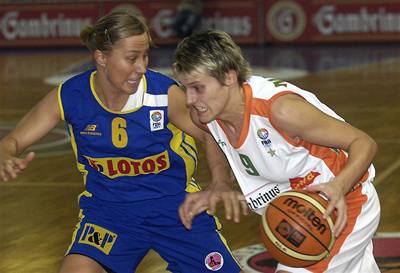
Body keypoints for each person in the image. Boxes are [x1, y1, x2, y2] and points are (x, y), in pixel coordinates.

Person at [0, 13, 245, 273]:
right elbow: (12, 141)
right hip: (109, 214)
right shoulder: (71, 96)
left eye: (145, 56)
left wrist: (220, 181)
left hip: (176, 208)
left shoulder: (163, 94)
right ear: (101, 57)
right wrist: (4, 155)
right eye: (131, 58)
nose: (141, 67)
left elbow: (212, 133)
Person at [172, 29, 381, 273]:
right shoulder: (206, 114)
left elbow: (364, 142)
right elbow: (212, 135)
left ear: (229, 77)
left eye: (197, 87)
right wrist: (220, 181)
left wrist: (338, 186)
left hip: (341, 203)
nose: (189, 99)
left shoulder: (280, 111)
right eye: (185, 88)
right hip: (299, 207)